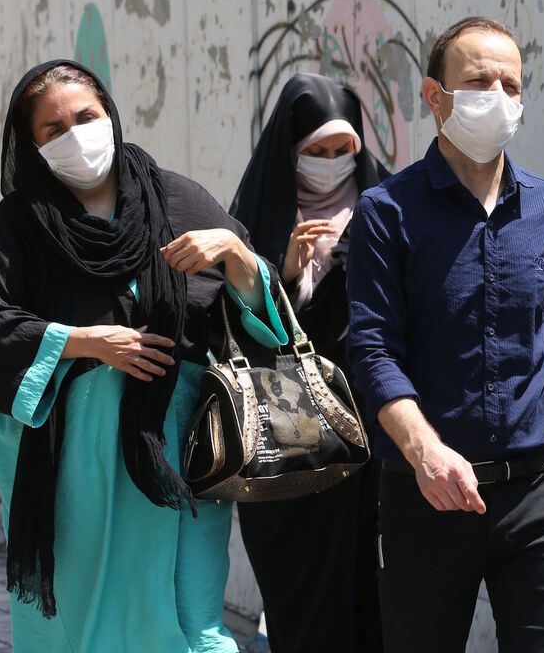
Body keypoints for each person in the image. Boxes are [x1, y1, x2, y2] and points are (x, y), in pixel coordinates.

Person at [0, 60, 289, 652]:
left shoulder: (178, 198)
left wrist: (236, 253)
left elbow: (264, 319)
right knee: (93, 620)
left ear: (109, 114)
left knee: (196, 622)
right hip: (79, 462)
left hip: (182, 452)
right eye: (52, 128)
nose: (75, 135)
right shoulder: (23, 223)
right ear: (33, 146)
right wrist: (83, 341)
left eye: (85, 117)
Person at [347, 16, 544, 652]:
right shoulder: (386, 212)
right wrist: (424, 452)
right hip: (425, 493)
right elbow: (372, 349)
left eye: (511, 85)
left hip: (540, 493)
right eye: (480, 81)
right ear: (435, 96)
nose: (499, 96)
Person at [228, 72, 388, 652]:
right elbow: (231, 329)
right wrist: (285, 274)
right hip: (291, 441)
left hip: (377, 429)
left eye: (341, 150)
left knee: (374, 593)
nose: (330, 162)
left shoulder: (388, 205)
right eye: (314, 152)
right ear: (289, 152)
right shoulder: (253, 220)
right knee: (303, 592)